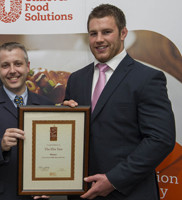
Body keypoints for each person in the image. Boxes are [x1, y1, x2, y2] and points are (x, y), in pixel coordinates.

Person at [63, 4, 175, 200]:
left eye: (106, 32)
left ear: (123, 33)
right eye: (93, 33)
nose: (99, 40)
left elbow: (160, 139)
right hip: (82, 192)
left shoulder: (148, 78)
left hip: (130, 192)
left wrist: (114, 179)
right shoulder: (76, 79)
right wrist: (62, 120)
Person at [0, 42, 53, 200]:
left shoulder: (46, 105)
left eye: (18, 64)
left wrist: (51, 183)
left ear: (27, 67)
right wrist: (0, 145)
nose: (12, 71)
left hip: (38, 195)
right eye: (5, 65)